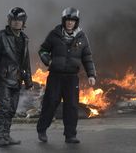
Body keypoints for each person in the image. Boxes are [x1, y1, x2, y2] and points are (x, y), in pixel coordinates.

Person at [36, 7, 96, 144]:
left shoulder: (82, 37)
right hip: (55, 76)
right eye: (68, 20)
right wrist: (48, 61)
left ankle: (70, 135)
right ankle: (42, 130)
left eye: (73, 20)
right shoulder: (54, 34)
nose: (70, 23)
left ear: (76, 22)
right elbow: (43, 50)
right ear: (64, 21)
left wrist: (91, 74)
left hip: (71, 77)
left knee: (72, 106)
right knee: (50, 103)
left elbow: (87, 57)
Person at [0, 7, 33, 146]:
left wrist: (28, 80)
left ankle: (6, 135)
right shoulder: (0, 36)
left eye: (19, 20)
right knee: (5, 107)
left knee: (12, 109)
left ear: (23, 22)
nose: (17, 22)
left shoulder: (24, 39)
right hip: (3, 78)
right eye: (14, 19)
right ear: (9, 20)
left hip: (17, 79)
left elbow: (26, 62)